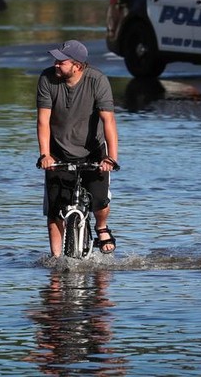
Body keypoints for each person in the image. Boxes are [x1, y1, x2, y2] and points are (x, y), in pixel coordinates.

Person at [36, 40, 119, 257]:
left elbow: (108, 121)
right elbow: (43, 121)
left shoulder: (97, 80)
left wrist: (111, 158)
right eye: (55, 60)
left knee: (100, 201)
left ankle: (101, 227)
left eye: (61, 62)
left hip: (93, 151)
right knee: (55, 210)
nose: (55, 64)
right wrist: (45, 154)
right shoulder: (47, 79)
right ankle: (56, 258)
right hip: (58, 151)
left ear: (78, 66)